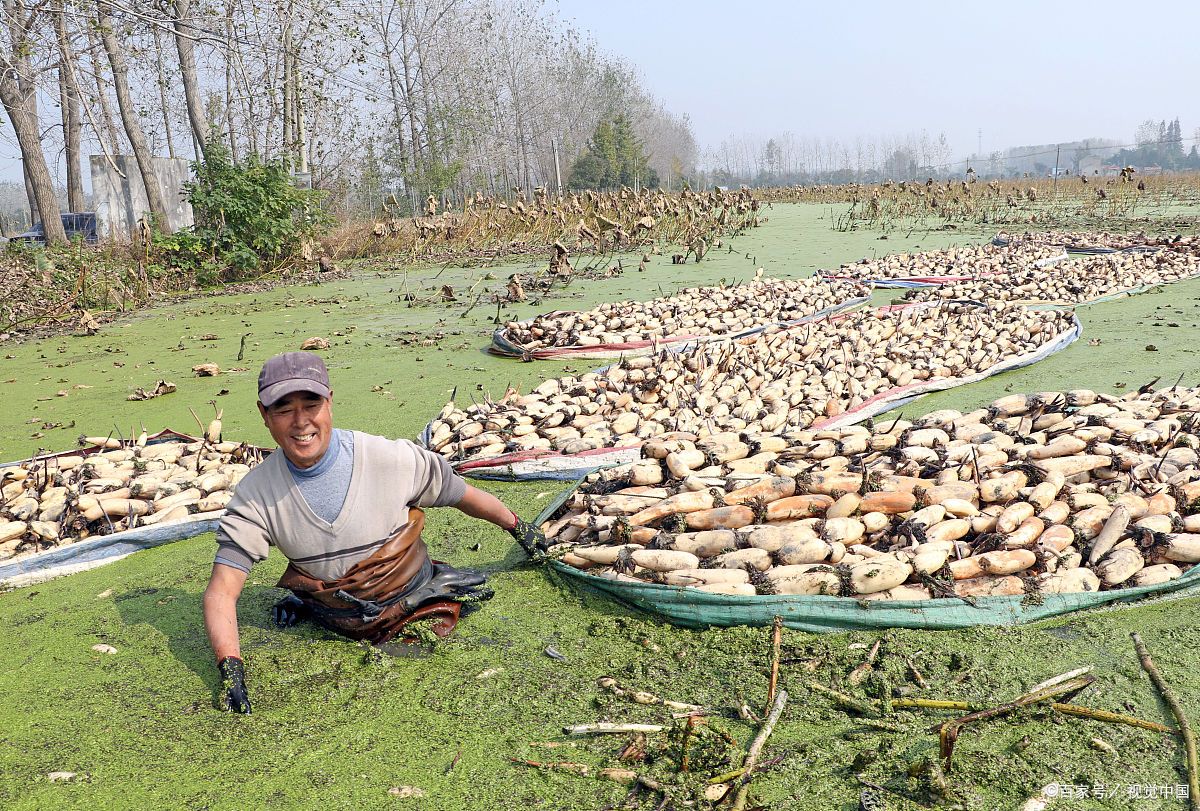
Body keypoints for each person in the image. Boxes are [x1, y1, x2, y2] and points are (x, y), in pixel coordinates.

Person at [202, 352, 546, 714]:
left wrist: (517, 526)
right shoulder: (256, 496)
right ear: (264, 414)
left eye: (311, 404)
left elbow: (462, 495)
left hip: (421, 605)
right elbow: (221, 592)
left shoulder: (389, 458)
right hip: (336, 622)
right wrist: (230, 667)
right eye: (284, 409)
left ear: (330, 401)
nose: (301, 421)